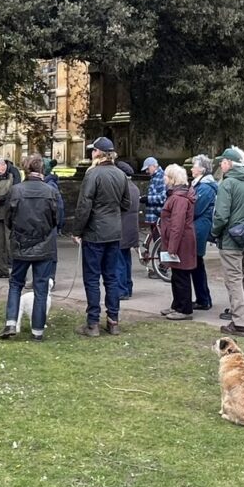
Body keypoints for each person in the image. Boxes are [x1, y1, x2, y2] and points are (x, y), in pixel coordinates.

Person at [73, 136, 130, 337]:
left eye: (93, 150)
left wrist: (77, 230)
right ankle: (113, 321)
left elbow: (84, 205)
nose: (91, 153)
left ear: (98, 153)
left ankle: (93, 323)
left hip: (95, 233)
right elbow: (126, 203)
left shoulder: (93, 174)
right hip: (113, 232)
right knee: (111, 277)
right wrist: (111, 212)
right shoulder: (121, 174)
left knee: (92, 279)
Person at [0, 154, 60, 341]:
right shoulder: (51, 192)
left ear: (26, 169)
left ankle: (11, 321)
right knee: (41, 287)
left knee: (16, 283)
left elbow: (8, 219)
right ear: (42, 169)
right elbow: (56, 219)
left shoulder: (15, 191)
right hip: (44, 245)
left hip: (21, 244)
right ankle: (37, 331)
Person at [210, 146, 244, 338]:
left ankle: (240, 323)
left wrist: (214, 232)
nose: (221, 165)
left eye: (223, 162)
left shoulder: (228, 183)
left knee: (234, 281)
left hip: (231, 240)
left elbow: (221, 215)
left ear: (230, 163)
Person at [159, 164, 197, 321]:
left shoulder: (179, 199)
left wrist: (172, 248)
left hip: (181, 242)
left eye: (166, 176)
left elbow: (177, 225)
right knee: (176, 275)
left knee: (182, 275)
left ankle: (184, 309)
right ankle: (176, 305)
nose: (164, 179)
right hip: (179, 240)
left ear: (172, 179)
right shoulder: (177, 196)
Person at [190, 154, 217, 311]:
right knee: (197, 264)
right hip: (199, 226)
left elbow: (195, 209)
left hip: (200, 228)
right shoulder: (201, 185)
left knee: (196, 264)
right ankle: (203, 298)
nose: (192, 169)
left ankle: (203, 299)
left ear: (202, 169)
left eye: (194, 166)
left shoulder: (205, 188)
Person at [116, 161, 142, 300]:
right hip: (131, 230)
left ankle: (122, 290)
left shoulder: (122, 189)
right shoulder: (134, 188)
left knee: (119, 261)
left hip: (122, 229)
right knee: (126, 260)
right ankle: (128, 287)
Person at [140, 156, 166, 247]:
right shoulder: (155, 177)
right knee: (157, 243)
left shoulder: (161, 177)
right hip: (154, 216)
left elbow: (163, 197)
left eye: (147, 169)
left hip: (158, 216)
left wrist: (148, 199)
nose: (147, 171)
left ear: (154, 166)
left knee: (160, 244)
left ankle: (160, 256)